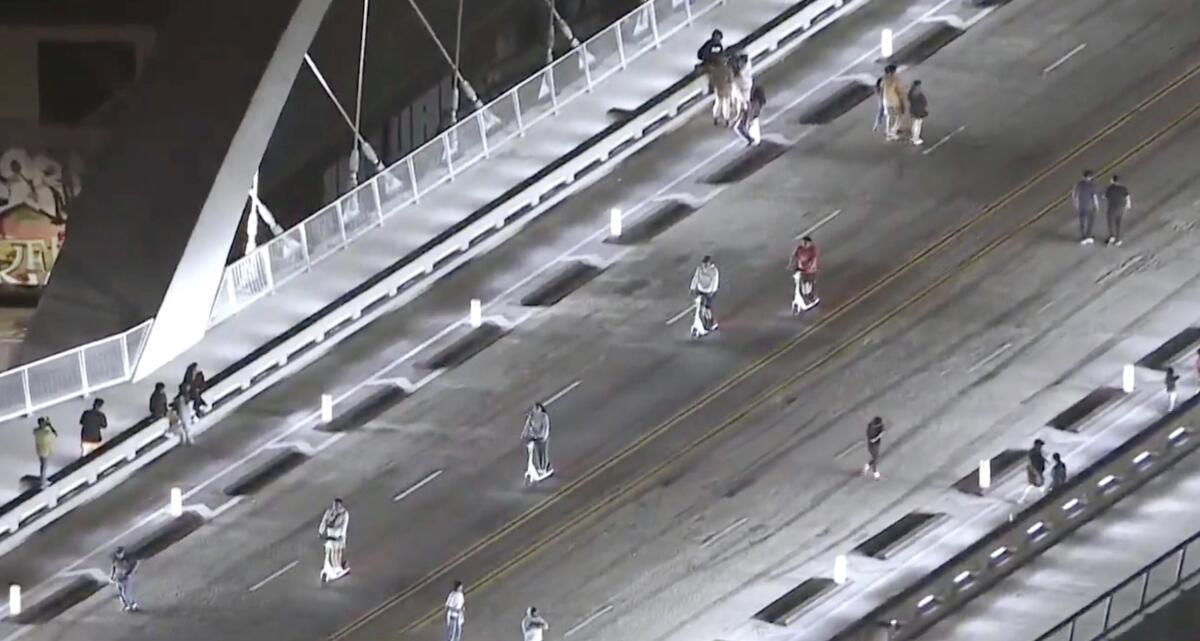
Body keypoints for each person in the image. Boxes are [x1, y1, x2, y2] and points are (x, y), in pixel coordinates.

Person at [318, 498, 350, 583]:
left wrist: (341, 535)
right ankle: (333, 567)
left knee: (337, 551)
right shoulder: (329, 512)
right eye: (335, 504)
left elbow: (344, 525)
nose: (336, 506)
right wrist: (320, 532)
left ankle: (337, 567)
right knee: (330, 550)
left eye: (338, 505)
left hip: (338, 534)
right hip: (330, 534)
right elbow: (324, 522)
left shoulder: (344, 513)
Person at [522, 403, 553, 482]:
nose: (534, 410)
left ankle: (544, 468)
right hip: (536, 437)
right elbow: (527, 425)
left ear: (539, 409)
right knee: (537, 454)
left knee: (543, 453)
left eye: (535, 408)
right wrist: (524, 434)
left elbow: (545, 428)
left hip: (543, 438)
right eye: (533, 409)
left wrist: (542, 436)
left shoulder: (544, 416)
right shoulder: (532, 416)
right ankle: (542, 467)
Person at [790, 235, 820, 312]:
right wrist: (791, 264)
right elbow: (795, 256)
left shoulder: (812, 250)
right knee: (803, 290)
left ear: (809, 243)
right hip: (802, 271)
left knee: (807, 290)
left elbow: (813, 260)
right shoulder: (800, 249)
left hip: (809, 272)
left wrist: (809, 267)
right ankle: (810, 299)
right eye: (804, 242)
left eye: (806, 243)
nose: (805, 244)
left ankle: (814, 300)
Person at [690, 256, 720, 330]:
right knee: (700, 308)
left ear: (710, 264)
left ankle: (712, 322)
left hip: (709, 291)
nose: (705, 266)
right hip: (701, 290)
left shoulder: (714, 271)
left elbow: (714, 282)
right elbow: (695, 278)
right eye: (704, 264)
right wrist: (692, 288)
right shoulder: (699, 269)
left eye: (706, 264)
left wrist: (712, 291)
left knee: (707, 308)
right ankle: (705, 322)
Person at [1072, 170, 1101, 245]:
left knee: (1082, 222)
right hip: (1090, 206)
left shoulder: (1078, 184)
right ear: (1091, 177)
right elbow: (1094, 196)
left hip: (1081, 206)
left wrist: (1076, 204)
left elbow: (1074, 195)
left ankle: (1083, 237)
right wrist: (1097, 206)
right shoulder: (1091, 185)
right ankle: (1089, 236)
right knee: (1090, 222)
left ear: (1083, 177)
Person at [880, 64, 907, 141]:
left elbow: (881, 90)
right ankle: (893, 131)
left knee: (889, 116)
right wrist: (902, 101)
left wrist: (882, 100)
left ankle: (889, 130)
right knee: (899, 116)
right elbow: (899, 91)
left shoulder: (884, 80)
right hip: (894, 101)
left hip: (886, 101)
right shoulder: (895, 80)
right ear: (892, 72)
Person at [1104, 175, 1132, 246]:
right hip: (1120, 208)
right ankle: (1118, 239)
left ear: (1113, 181)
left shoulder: (1110, 188)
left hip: (1112, 208)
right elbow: (1127, 196)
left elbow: (1106, 196)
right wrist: (1128, 205)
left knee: (1111, 223)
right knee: (1119, 224)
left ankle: (1112, 236)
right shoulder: (1123, 188)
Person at [110, 546, 139, 612]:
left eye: (120, 553)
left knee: (126, 592)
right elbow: (113, 567)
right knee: (120, 593)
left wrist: (130, 573)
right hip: (118, 578)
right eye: (118, 553)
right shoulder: (115, 559)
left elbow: (135, 564)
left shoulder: (128, 558)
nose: (119, 555)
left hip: (126, 578)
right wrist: (112, 575)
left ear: (123, 552)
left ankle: (133, 604)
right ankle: (126, 605)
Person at [1019, 439, 1046, 503]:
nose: (1041, 446)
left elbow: (1040, 458)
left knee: (1035, 484)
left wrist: (1044, 460)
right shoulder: (1032, 452)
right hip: (1034, 470)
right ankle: (1022, 498)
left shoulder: (1037, 451)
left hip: (1037, 470)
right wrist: (1036, 472)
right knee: (1036, 483)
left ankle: (1022, 498)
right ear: (1036, 445)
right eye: (1040, 445)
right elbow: (1030, 463)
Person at [33, 416, 57, 483]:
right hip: (45, 452)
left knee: (42, 464)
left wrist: (44, 425)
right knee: (44, 466)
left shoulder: (36, 431)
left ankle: (42, 476)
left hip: (39, 450)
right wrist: (50, 425)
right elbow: (55, 434)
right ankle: (43, 480)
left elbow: (37, 429)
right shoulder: (46, 433)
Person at [907, 80, 928, 145]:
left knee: (915, 123)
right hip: (919, 110)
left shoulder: (910, 92)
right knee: (918, 124)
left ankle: (913, 137)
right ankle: (916, 139)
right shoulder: (918, 93)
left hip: (913, 109)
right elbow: (924, 102)